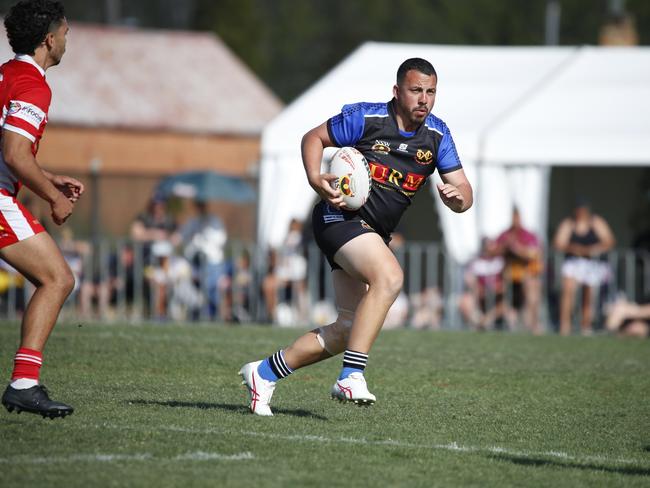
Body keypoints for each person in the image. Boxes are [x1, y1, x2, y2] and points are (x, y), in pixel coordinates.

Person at [239, 58, 472, 415]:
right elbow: (313, 138)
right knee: (390, 276)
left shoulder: (437, 135)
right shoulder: (366, 119)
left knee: (349, 327)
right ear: (397, 92)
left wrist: (458, 200)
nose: (423, 99)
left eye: (430, 92)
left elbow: (464, 192)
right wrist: (314, 177)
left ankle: (264, 372)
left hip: (371, 233)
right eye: (415, 91)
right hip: (338, 218)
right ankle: (351, 374)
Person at [0, 0, 83, 419]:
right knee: (58, 278)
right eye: (66, 33)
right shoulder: (34, 85)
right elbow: (15, 155)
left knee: (55, 279)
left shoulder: (5, 76)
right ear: (49, 40)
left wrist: (48, 178)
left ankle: (24, 384)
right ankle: (24, 384)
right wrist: (54, 198)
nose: (68, 40)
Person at [553, 201, 615, 336]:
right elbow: (558, 243)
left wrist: (592, 250)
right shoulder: (569, 224)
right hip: (574, 262)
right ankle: (565, 325)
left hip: (593, 263)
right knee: (568, 290)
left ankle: (585, 325)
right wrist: (573, 248)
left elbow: (609, 241)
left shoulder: (596, 222)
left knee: (589, 294)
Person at [495, 208, 544, 334]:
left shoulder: (528, 234)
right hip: (508, 276)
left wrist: (517, 249)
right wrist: (505, 247)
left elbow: (534, 253)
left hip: (526, 275)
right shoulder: (505, 235)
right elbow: (493, 250)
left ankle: (533, 323)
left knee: (532, 289)